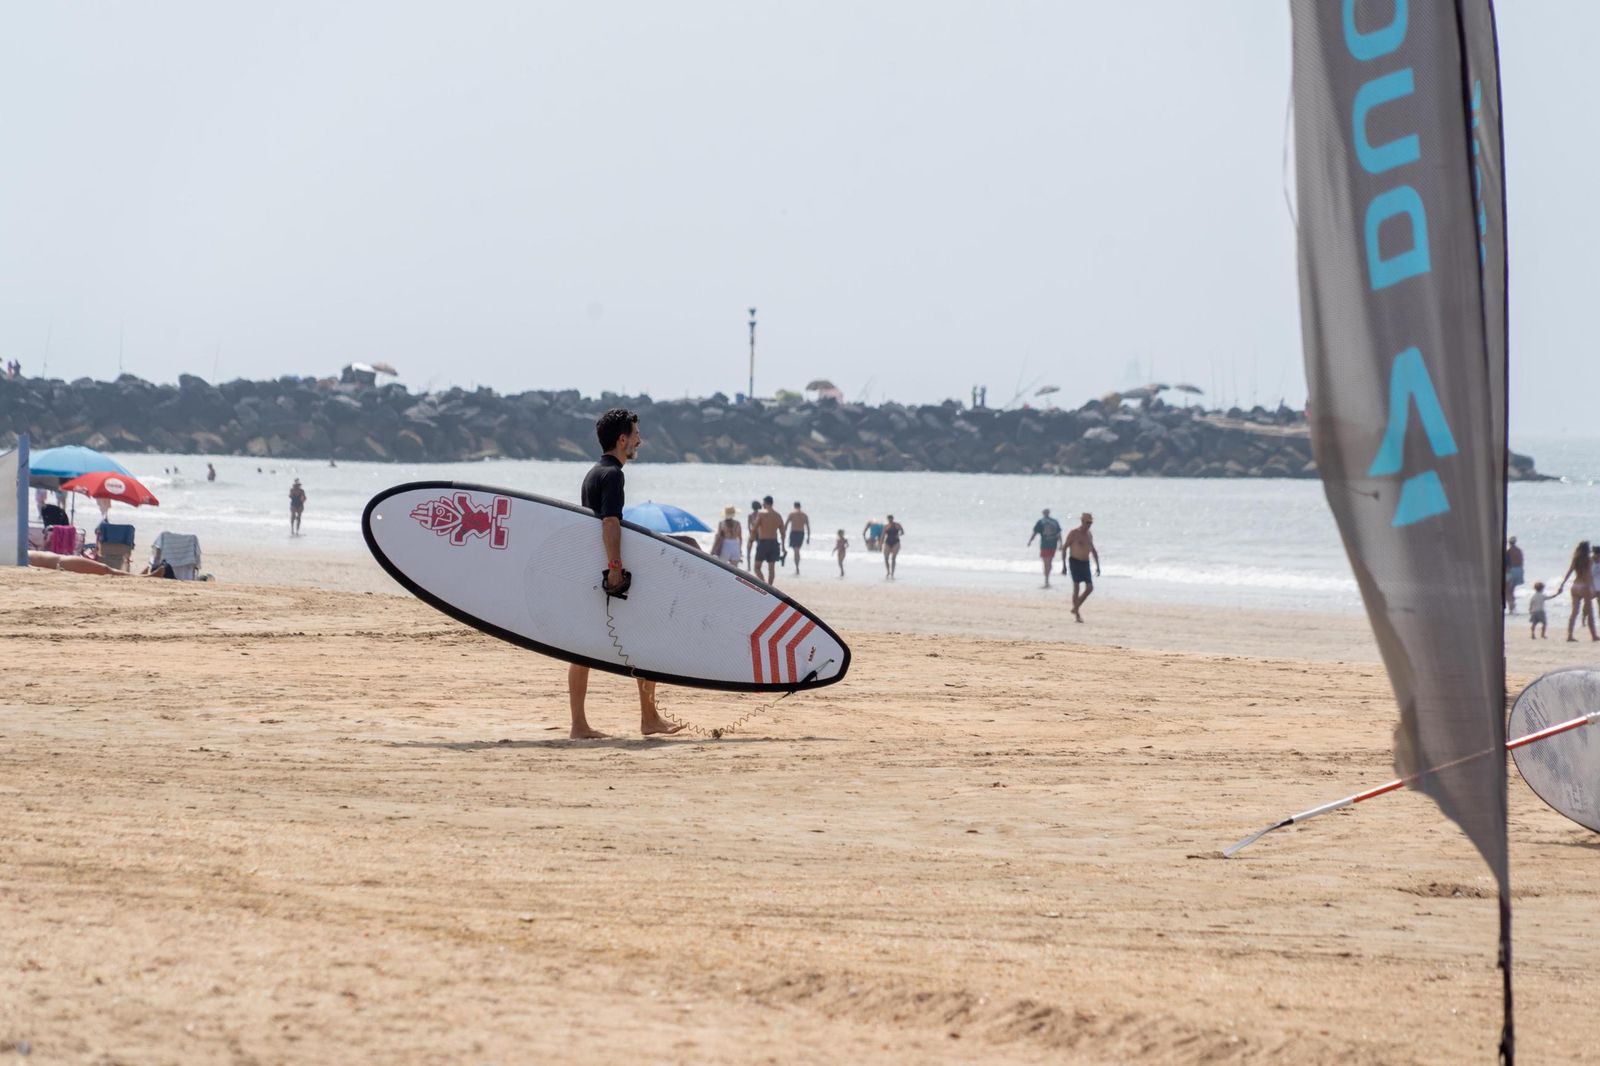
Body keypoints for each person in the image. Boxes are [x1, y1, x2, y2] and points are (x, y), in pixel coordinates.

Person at [567, 408, 684, 740]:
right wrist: (616, 567)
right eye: (635, 435)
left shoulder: (593, 473)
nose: (639, 441)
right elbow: (609, 522)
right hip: (609, 571)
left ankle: (579, 724)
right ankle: (649, 719)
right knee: (646, 639)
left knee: (581, 649)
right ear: (622, 440)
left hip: (591, 569)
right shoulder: (613, 475)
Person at [1555, 541, 1597, 642]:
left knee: (1574, 612)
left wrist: (1562, 585)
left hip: (1575, 586)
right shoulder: (1589, 560)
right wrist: (1593, 588)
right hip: (1585, 587)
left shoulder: (1575, 559)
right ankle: (1594, 635)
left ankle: (1570, 635)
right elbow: (1590, 576)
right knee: (1589, 611)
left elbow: (1568, 573)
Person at [1064, 512, 1100, 622]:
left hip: (1085, 563)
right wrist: (1063, 565)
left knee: (1090, 588)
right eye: (1087, 522)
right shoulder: (1074, 533)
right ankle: (1077, 615)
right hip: (1074, 562)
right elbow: (1065, 547)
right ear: (1082, 521)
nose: (1089, 525)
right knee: (1076, 588)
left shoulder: (1089, 534)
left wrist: (1098, 566)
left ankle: (1075, 607)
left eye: (1091, 523)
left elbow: (1093, 550)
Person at [751, 496, 784, 583]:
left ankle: (764, 585)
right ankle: (770, 586)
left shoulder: (761, 514)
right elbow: (783, 533)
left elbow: (754, 529)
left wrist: (751, 540)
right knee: (771, 568)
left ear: (765, 503)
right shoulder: (778, 515)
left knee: (757, 567)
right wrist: (783, 547)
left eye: (763, 503)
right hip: (774, 543)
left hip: (763, 543)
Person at [1027, 508, 1063, 588]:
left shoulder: (1041, 522)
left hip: (1045, 545)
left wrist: (1030, 541)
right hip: (1052, 545)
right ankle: (1047, 579)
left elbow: (1035, 533)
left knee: (1046, 563)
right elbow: (1059, 534)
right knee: (1049, 562)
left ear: (1043, 513)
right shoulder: (1054, 521)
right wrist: (1061, 544)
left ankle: (1046, 580)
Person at [786, 501, 810, 575]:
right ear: (800, 506)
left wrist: (783, 534)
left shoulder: (792, 514)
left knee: (796, 551)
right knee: (797, 550)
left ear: (794, 506)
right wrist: (808, 537)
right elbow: (808, 527)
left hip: (794, 533)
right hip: (801, 533)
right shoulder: (804, 515)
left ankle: (797, 568)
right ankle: (797, 567)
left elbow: (786, 524)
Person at [1504, 536, 1524, 613]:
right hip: (1519, 570)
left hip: (1510, 570)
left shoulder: (1508, 551)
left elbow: (1507, 563)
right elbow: (1521, 561)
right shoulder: (1519, 551)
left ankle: (1511, 605)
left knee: (1507, 590)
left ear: (1509, 543)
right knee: (1512, 590)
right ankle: (1512, 606)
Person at [881, 514, 904, 578]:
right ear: (887, 519)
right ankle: (888, 571)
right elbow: (883, 535)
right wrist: (881, 544)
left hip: (896, 542)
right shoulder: (886, 526)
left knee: (893, 558)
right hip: (887, 542)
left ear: (893, 518)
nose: (890, 520)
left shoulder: (897, 525)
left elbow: (902, 532)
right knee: (886, 558)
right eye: (889, 519)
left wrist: (898, 535)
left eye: (891, 518)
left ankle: (892, 573)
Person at [745, 499, 762, 570]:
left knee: (748, 550)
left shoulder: (750, 515)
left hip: (753, 533)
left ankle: (749, 567)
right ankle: (756, 566)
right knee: (759, 551)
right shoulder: (760, 514)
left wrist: (751, 533)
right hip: (759, 534)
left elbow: (749, 526)